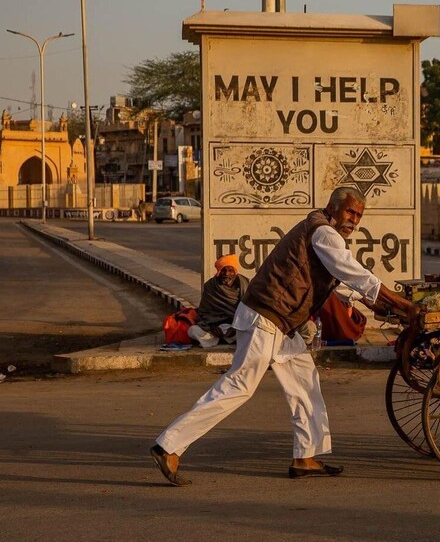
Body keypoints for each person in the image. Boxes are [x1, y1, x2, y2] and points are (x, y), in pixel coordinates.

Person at [150, 187, 420, 485]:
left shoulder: (324, 235)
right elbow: (355, 274)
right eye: (350, 212)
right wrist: (403, 303)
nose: (354, 220)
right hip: (266, 317)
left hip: (281, 323)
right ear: (333, 207)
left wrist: (386, 306)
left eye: (358, 215)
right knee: (239, 385)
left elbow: (346, 286)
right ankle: (169, 445)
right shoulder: (324, 232)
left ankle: (305, 455)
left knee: (305, 381)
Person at [187, 254, 249, 348]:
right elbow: (203, 312)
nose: (226, 274)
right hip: (215, 329)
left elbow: (249, 311)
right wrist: (212, 327)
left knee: (253, 331)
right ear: (219, 271)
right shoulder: (210, 286)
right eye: (223, 270)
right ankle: (222, 339)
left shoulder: (245, 284)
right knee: (192, 330)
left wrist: (236, 327)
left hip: (235, 327)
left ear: (235, 271)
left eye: (230, 270)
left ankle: (222, 340)